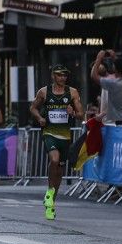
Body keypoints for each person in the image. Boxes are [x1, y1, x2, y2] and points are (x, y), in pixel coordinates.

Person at [30, 65, 84, 220]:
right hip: (49, 132)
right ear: (53, 76)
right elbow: (33, 108)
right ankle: (49, 190)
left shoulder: (72, 92)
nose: (63, 78)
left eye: (65, 76)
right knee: (53, 159)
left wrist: (73, 112)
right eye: (60, 75)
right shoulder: (44, 92)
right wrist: (40, 118)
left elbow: (81, 114)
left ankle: (51, 202)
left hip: (65, 135)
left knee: (59, 168)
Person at [91, 50, 122, 125]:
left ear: (114, 68)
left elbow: (93, 76)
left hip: (120, 121)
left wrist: (99, 58)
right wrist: (115, 57)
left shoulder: (112, 83)